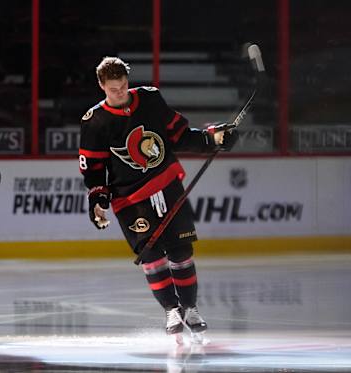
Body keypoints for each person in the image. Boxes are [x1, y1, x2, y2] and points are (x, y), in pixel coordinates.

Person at [78, 56, 238, 338]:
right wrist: (98, 200)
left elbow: (178, 134)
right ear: (102, 86)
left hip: (166, 185)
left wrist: (211, 139)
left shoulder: (150, 99)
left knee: (181, 252)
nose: (120, 93)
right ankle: (171, 310)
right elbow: (93, 168)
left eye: (124, 86)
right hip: (130, 199)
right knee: (151, 257)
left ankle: (190, 308)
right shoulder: (95, 121)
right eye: (114, 89)